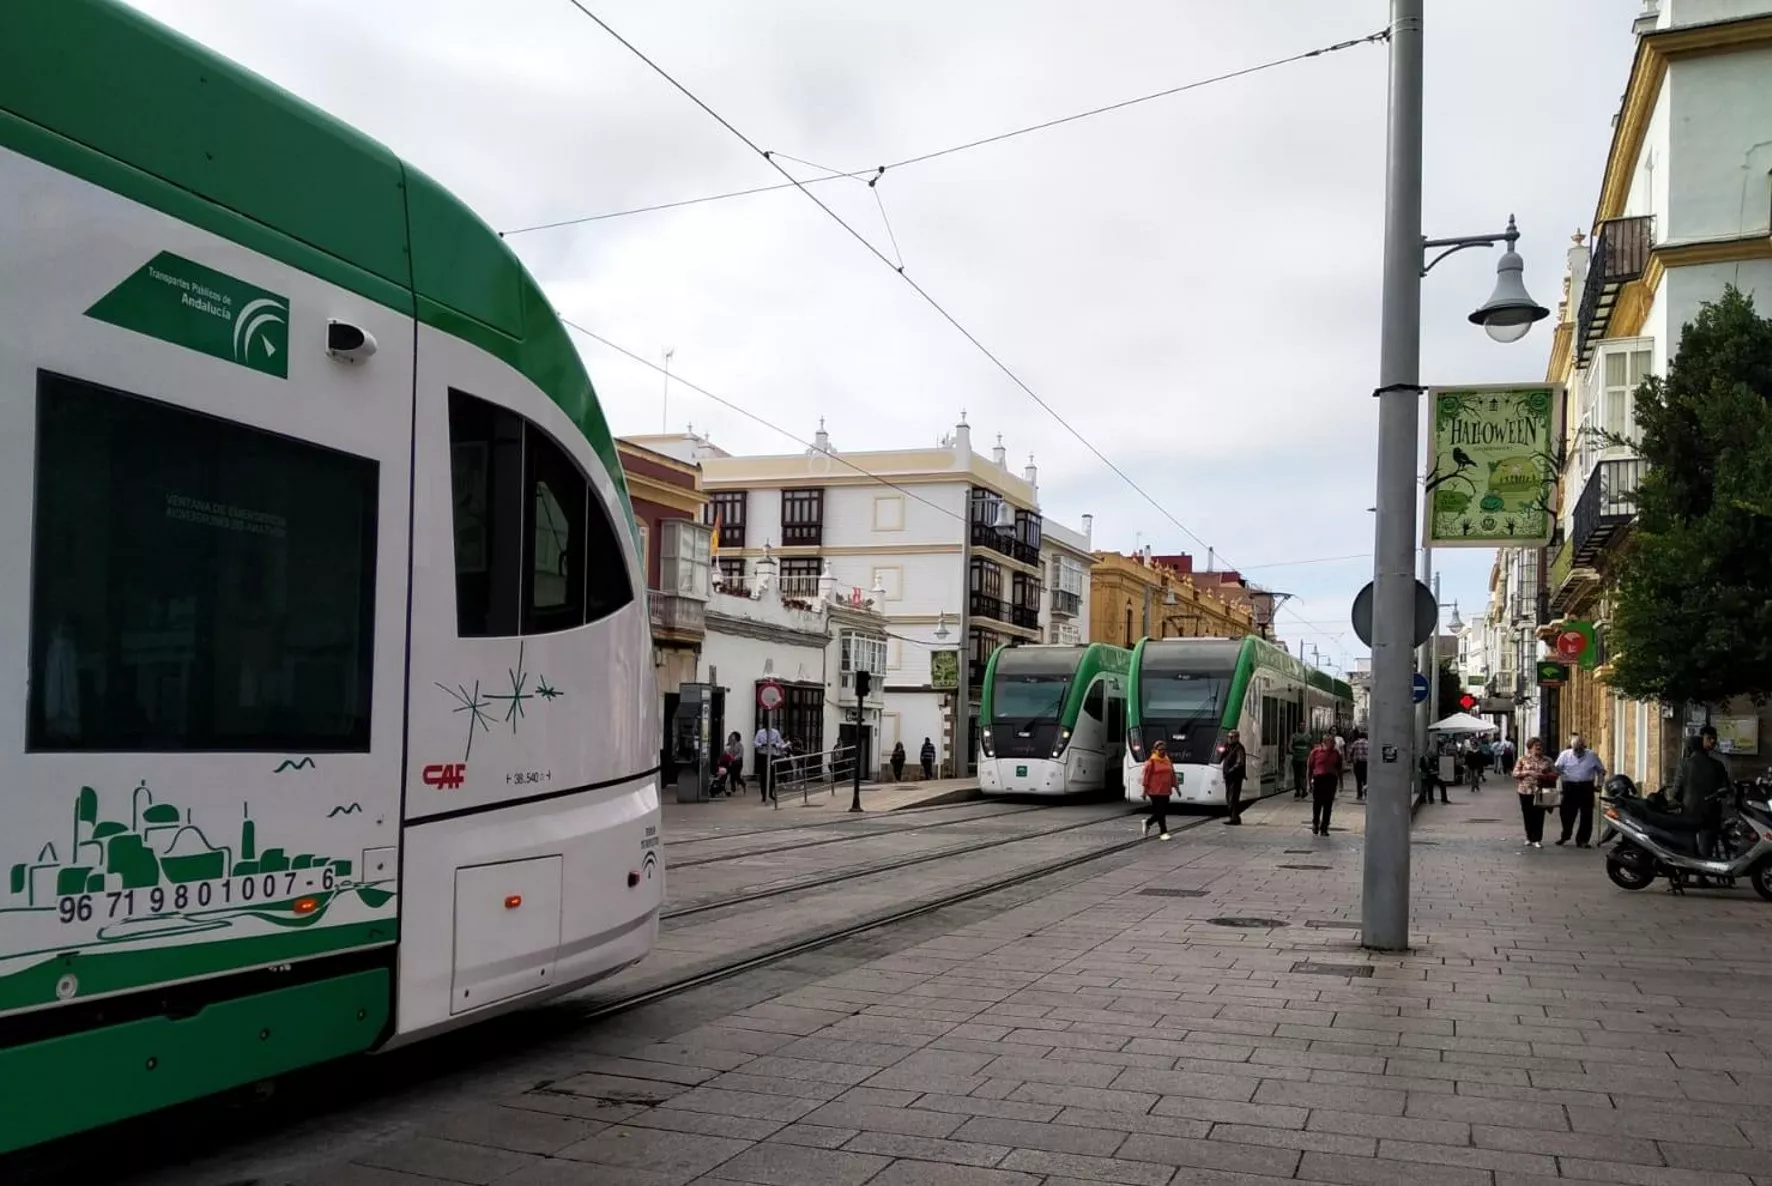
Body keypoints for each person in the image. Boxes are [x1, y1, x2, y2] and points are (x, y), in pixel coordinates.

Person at [1671, 725, 1731, 857]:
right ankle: (1703, 866)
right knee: (1707, 847)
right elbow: (1726, 789)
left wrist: (1679, 800)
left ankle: (1689, 865)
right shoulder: (1717, 765)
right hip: (1711, 812)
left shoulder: (1685, 764)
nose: (1713, 741)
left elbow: (1676, 791)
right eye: (1709, 738)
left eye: (1714, 738)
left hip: (1689, 811)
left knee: (1688, 845)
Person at [1552, 733, 1606, 847]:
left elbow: (1601, 771)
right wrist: (1555, 782)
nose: (1578, 751)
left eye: (1580, 748)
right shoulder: (1565, 755)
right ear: (1572, 747)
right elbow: (1556, 769)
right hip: (1569, 786)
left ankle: (1582, 840)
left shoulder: (1591, 755)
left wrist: (1599, 784)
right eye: (1575, 749)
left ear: (1584, 747)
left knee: (1586, 814)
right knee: (1566, 813)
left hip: (1586, 786)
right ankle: (1565, 835)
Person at [1511, 736, 1557, 848]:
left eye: (1540, 746)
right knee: (1528, 815)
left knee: (1539, 815)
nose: (1539, 748)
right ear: (1530, 748)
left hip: (1541, 791)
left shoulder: (1548, 760)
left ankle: (1537, 839)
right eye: (1536, 746)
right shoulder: (1523, 759)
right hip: (1525, 791)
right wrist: (1527, 773)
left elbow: (1555, 774)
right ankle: (1529, 837)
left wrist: (1544, 776)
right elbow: (1515, 773)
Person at [1141, 739, 1179, 839]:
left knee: (1163, 811)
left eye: (1164, 749)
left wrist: (1177, 787)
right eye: (1160, 749)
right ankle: (1163, 832)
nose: (1162, 751)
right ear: (1155, 750)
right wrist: (1144, 791)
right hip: (1154, 791)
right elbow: (1146, 777)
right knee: (1160, 812)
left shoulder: (1167, 760)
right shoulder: (1151, 761)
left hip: (1165, 791)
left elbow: (1172, 774)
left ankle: (1148, 822)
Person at [1307, 732, 1343, 835]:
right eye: (1329, 741)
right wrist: (1309, 783)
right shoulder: (1315, 752)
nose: (1332, 744)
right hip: (1319, 779)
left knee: (1328, 804)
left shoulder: (1336, 753)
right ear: (1324, 742)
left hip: (1331, 779)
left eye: (1332, 742)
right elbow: (1309, 768)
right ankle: (1315, 823)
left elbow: (1339, 769)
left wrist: (1341, 783)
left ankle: (1324, 827)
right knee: (1317, 803)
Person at [1220, 728, 1248, 825]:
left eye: (1231, 737)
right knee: (1229, 796)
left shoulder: (1239, 748)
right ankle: (1234, 817)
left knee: (1233, 797)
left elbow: (1240, 762)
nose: (1229, 739)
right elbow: (1221, 756)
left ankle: (1234, 818)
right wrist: (1224, 748)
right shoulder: (1229, 747)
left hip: (1235, 777)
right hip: (1229, 776)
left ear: (1237, 738)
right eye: (1228, 737)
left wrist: (1230, 770)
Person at [754, 720, 784, 802]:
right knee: (763, 776)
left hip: (773, 755)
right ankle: (764, 794)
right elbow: (755, 743)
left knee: (772, 776)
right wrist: (761, 744)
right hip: (763, 755)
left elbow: (780, 743)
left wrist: (775, 745)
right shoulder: (760, 732)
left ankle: (770, 793)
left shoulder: (776, 732)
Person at [718, 731, 746, 795]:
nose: (731, 737)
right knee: (730, 774)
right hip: (731, 762)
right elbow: (729, 752)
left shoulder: (740, 745)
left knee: (736, 775)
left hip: (738, 762)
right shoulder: (731, 745)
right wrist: (727, 753)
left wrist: (734, 758)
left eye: (733, 736)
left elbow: (740, 754)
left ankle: (742, 783)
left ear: (736, 737)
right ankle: (732, 787)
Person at [1290, 724, 1312, 799]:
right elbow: (1290, 745)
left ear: (1305, 727)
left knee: (1303, 775)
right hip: (1296, 758)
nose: (1302, 727)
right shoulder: (1294, 736)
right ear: (1298, 727)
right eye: (1300, 725)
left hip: (1304, 758)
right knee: (1296, 775)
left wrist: (1308, 754)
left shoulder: (1308, 736)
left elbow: (1311, 746)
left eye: (1303, 725)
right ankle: (1297, 791)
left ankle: (1304, 790)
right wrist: (1292, 752)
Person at [1348, 731, 1370, 800]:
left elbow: (1350, 752)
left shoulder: (1355, 742)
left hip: (1357, 763)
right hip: (1366, 763)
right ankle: (1366, 795)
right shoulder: (1368, 743)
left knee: (1358, 780)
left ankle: (1359, 795)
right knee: (1366, 780)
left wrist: (1351, 759)